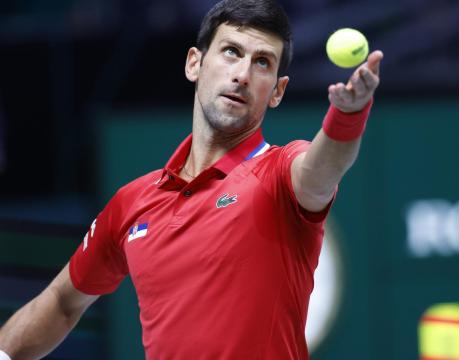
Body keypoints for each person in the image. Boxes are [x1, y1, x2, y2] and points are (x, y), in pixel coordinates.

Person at [0, 0, 382, 358]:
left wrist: (348, 115)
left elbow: (321, 170)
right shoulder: (131, 203)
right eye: (231, 52)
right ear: (194, 64)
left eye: (262, 62)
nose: (243, 74)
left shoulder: (280, 173)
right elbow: (62, 303)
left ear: (278, 92)